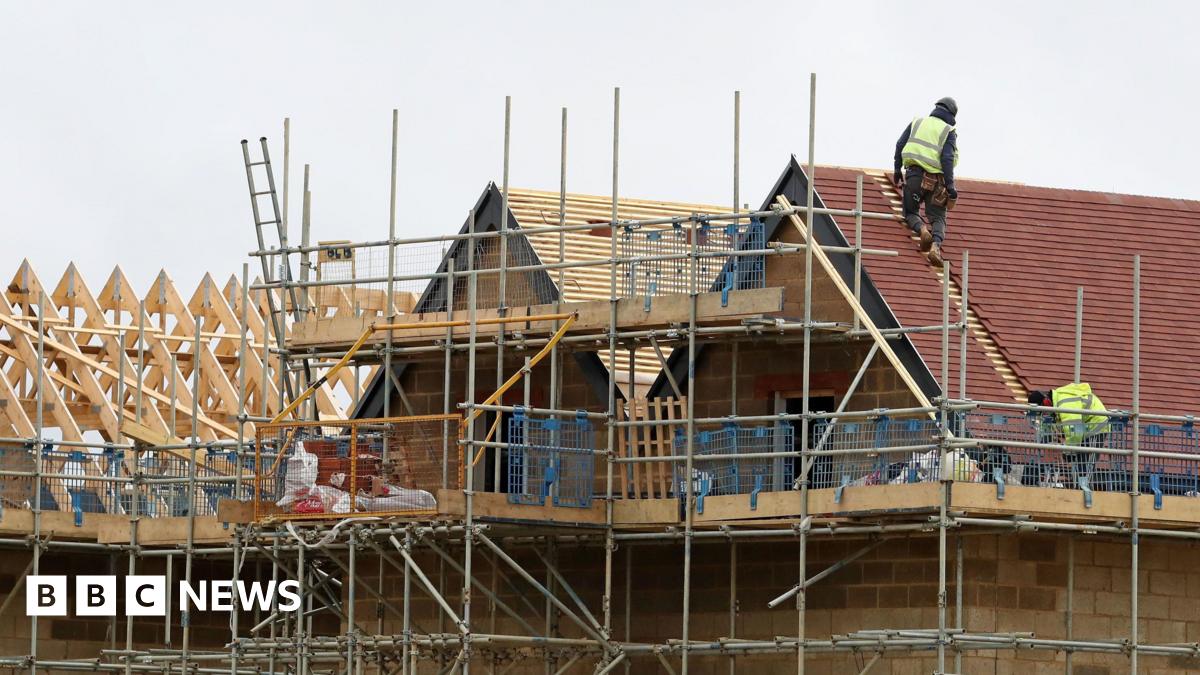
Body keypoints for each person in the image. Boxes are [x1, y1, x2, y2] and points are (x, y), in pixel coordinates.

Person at [893, 97, 959, 267]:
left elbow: (900, 145)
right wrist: (950, 187)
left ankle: (922, 230)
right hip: (937, 181)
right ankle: (935, 246)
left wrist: (897, 170)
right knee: (937, 216)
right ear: (952, 115)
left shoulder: (918, 122)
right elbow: (947, 158)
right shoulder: (949, 130)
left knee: (910, 212)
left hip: (915, 176)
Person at [1028, 383, 1110, 491]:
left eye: (1043, 411)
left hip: (1096, 426)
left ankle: (1085, 490)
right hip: (1086, 427)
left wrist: (1068, 452)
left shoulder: (1064, 403)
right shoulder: (1058, 403)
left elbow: (1074, 431)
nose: (1044, 413)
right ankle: (1080, 488)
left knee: (1087, 461)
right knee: (1081, 461)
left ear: (1046, 402)